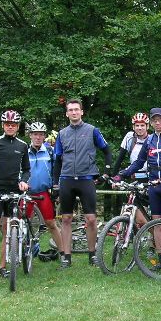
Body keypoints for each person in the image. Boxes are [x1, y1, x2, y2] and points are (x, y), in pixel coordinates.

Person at [118, 107, 161, 273]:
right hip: (153, 185)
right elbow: (139, 162)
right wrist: (122, 174)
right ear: (152, 122)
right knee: (156, 223)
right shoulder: (149, 141)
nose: (157, 123)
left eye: (160, 119)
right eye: (154, 120)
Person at [52, 99, 113, 268]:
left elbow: (107, 151)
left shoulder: (92, 130)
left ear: (81, 112)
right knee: (66, 218)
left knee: (91, 219)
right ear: (67, 113)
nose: (73, 112)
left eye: (76, 109)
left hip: (87, 178)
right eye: (70, 110)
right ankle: (66, 256)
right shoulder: (62, 133)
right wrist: (55, 184)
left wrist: (107, 172)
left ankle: (92, 254)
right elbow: (57, 160)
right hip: (66, 179)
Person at [0, 110, 31, 281]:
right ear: (3, 125)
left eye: (14, 124)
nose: (11, 126)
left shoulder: (22, 145)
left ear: (18, 127)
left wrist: (24, 181)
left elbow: (26, 169)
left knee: (7, 231)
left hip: (14, 192)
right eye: (8, 124)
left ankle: (2, 267)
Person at [25, 121, 63, 260]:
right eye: (35, 134)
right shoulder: (24, 151)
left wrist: (56, 188)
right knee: (24, 224)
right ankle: (24, 251)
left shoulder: (49, 151)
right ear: (30, 135)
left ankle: (63, 253)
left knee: (51, 223)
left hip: (43, 193)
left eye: (41, 135)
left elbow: (55, 170)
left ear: (44, 136)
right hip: (27, 193)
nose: (38, 137)